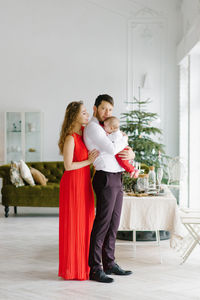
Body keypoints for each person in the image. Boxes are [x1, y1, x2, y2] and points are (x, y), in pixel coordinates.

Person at [83, 94, 135, 283]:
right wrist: (124, 137)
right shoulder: (93, 128)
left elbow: (121, 151)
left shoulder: (108, 129)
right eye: (104, 108)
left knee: (114, 224)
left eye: (111, 110)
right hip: (105, 177)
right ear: (95, 108)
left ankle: (109, 263)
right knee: (102, 224)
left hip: (117, 177)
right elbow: (113, 150)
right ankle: (95, 269)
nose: (107, 113)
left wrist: (130, 150)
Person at [58, 101, 99, 280]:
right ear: (74, 115)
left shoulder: (83, 134)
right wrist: (89, 162)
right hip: (72, 185)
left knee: (86, 224)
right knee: (74, 225)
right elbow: (68, 166)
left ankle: (85, 267)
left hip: (84, 183)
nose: (87, 115)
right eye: (83, 113)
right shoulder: (70, 138)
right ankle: (73, 269)